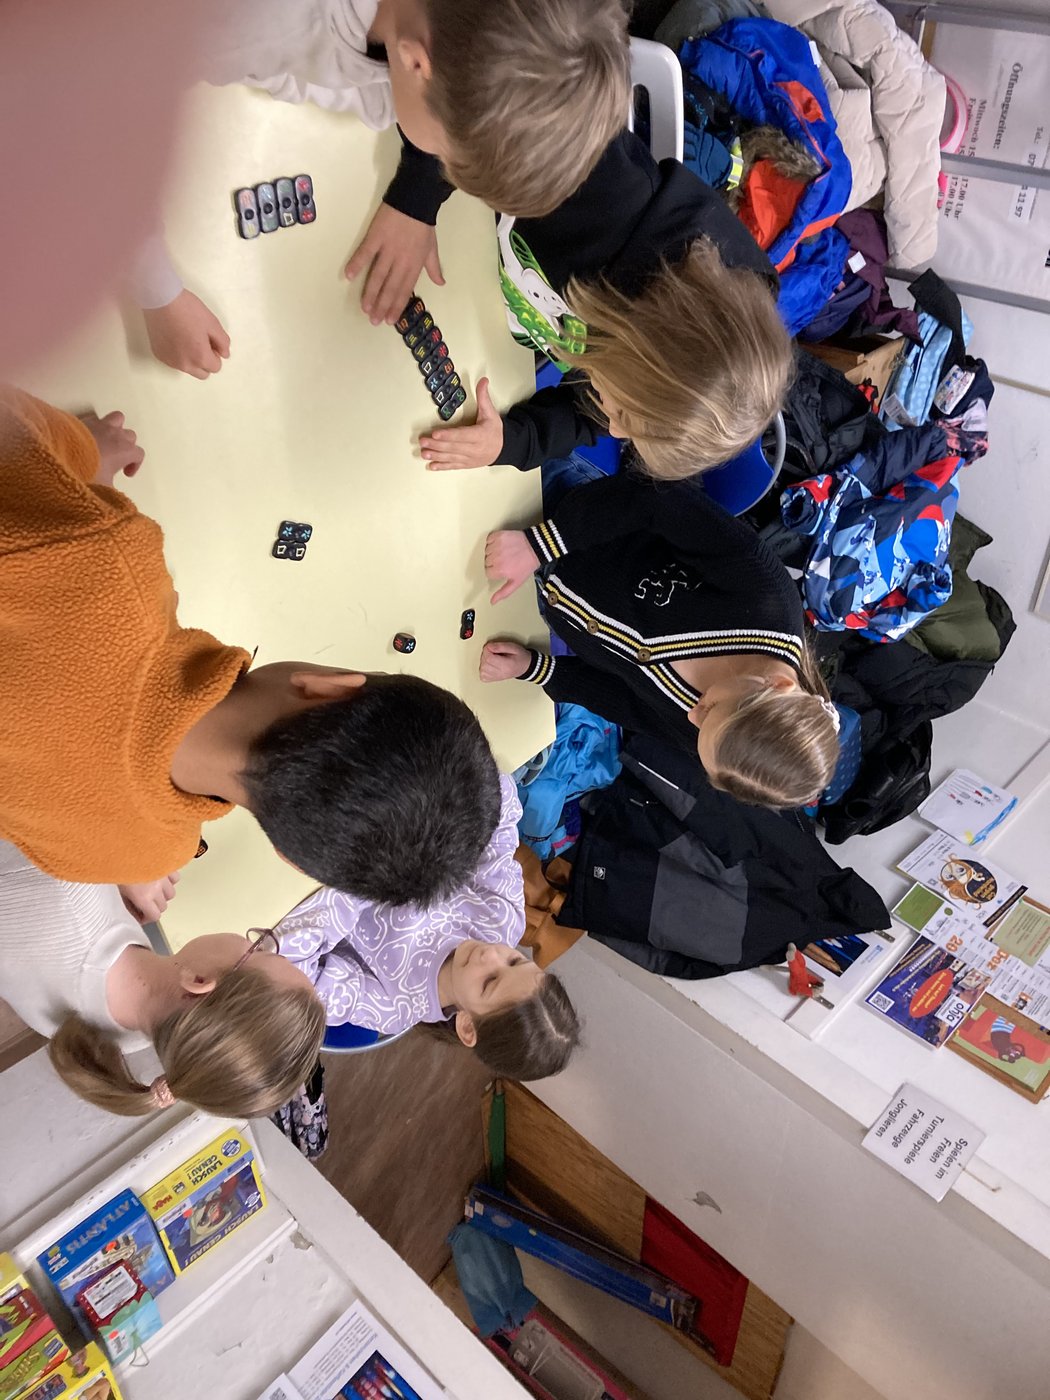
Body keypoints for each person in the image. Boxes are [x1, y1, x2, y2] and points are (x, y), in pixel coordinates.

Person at [0, 388, 500, 903]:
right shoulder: (150, 856)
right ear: (290, 857)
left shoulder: (107, 559)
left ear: (325, 686)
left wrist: (84, 455)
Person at [135, 0, 632, 376]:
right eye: (448, 158)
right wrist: (158, 293)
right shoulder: (244, 21)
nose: (442, 170)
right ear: (417, 63)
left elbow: (330, 68)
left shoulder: (411, 27)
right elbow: (96, 109)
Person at [418, 128, 792, 481]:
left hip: (475, 303)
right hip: (453, 197)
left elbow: (587, 415)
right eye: (623, 415)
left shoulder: (640, 376)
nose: (613, 429)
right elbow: (481, 107)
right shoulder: (604, 193)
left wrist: (509, 442)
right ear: (637, 349)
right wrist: (413, 204)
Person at [478, 468, 840, 809]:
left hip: (543, 598)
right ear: (777, 684)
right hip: (560, 512)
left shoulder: (716, 733)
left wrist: (538, 669)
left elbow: (624, 703)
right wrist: (541, 544)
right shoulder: (766, 598)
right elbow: (657, 499)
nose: (693, 715)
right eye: (712, 707)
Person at [277, 776, 581, 1081]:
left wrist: (363, 876)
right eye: (514, 961)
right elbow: (498, 814)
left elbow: (288, 970)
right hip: (364, 796)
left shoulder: (393, 1006)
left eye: (489, 982)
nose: (490, 955)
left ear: (467, 1026)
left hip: (299, 859)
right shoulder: (502, 922)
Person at [0, 840, 326, 1119]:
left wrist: (119, 851)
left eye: (258, 949)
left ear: (198, 980)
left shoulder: (70, 891)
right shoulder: (123, 1038)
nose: (251, 939)